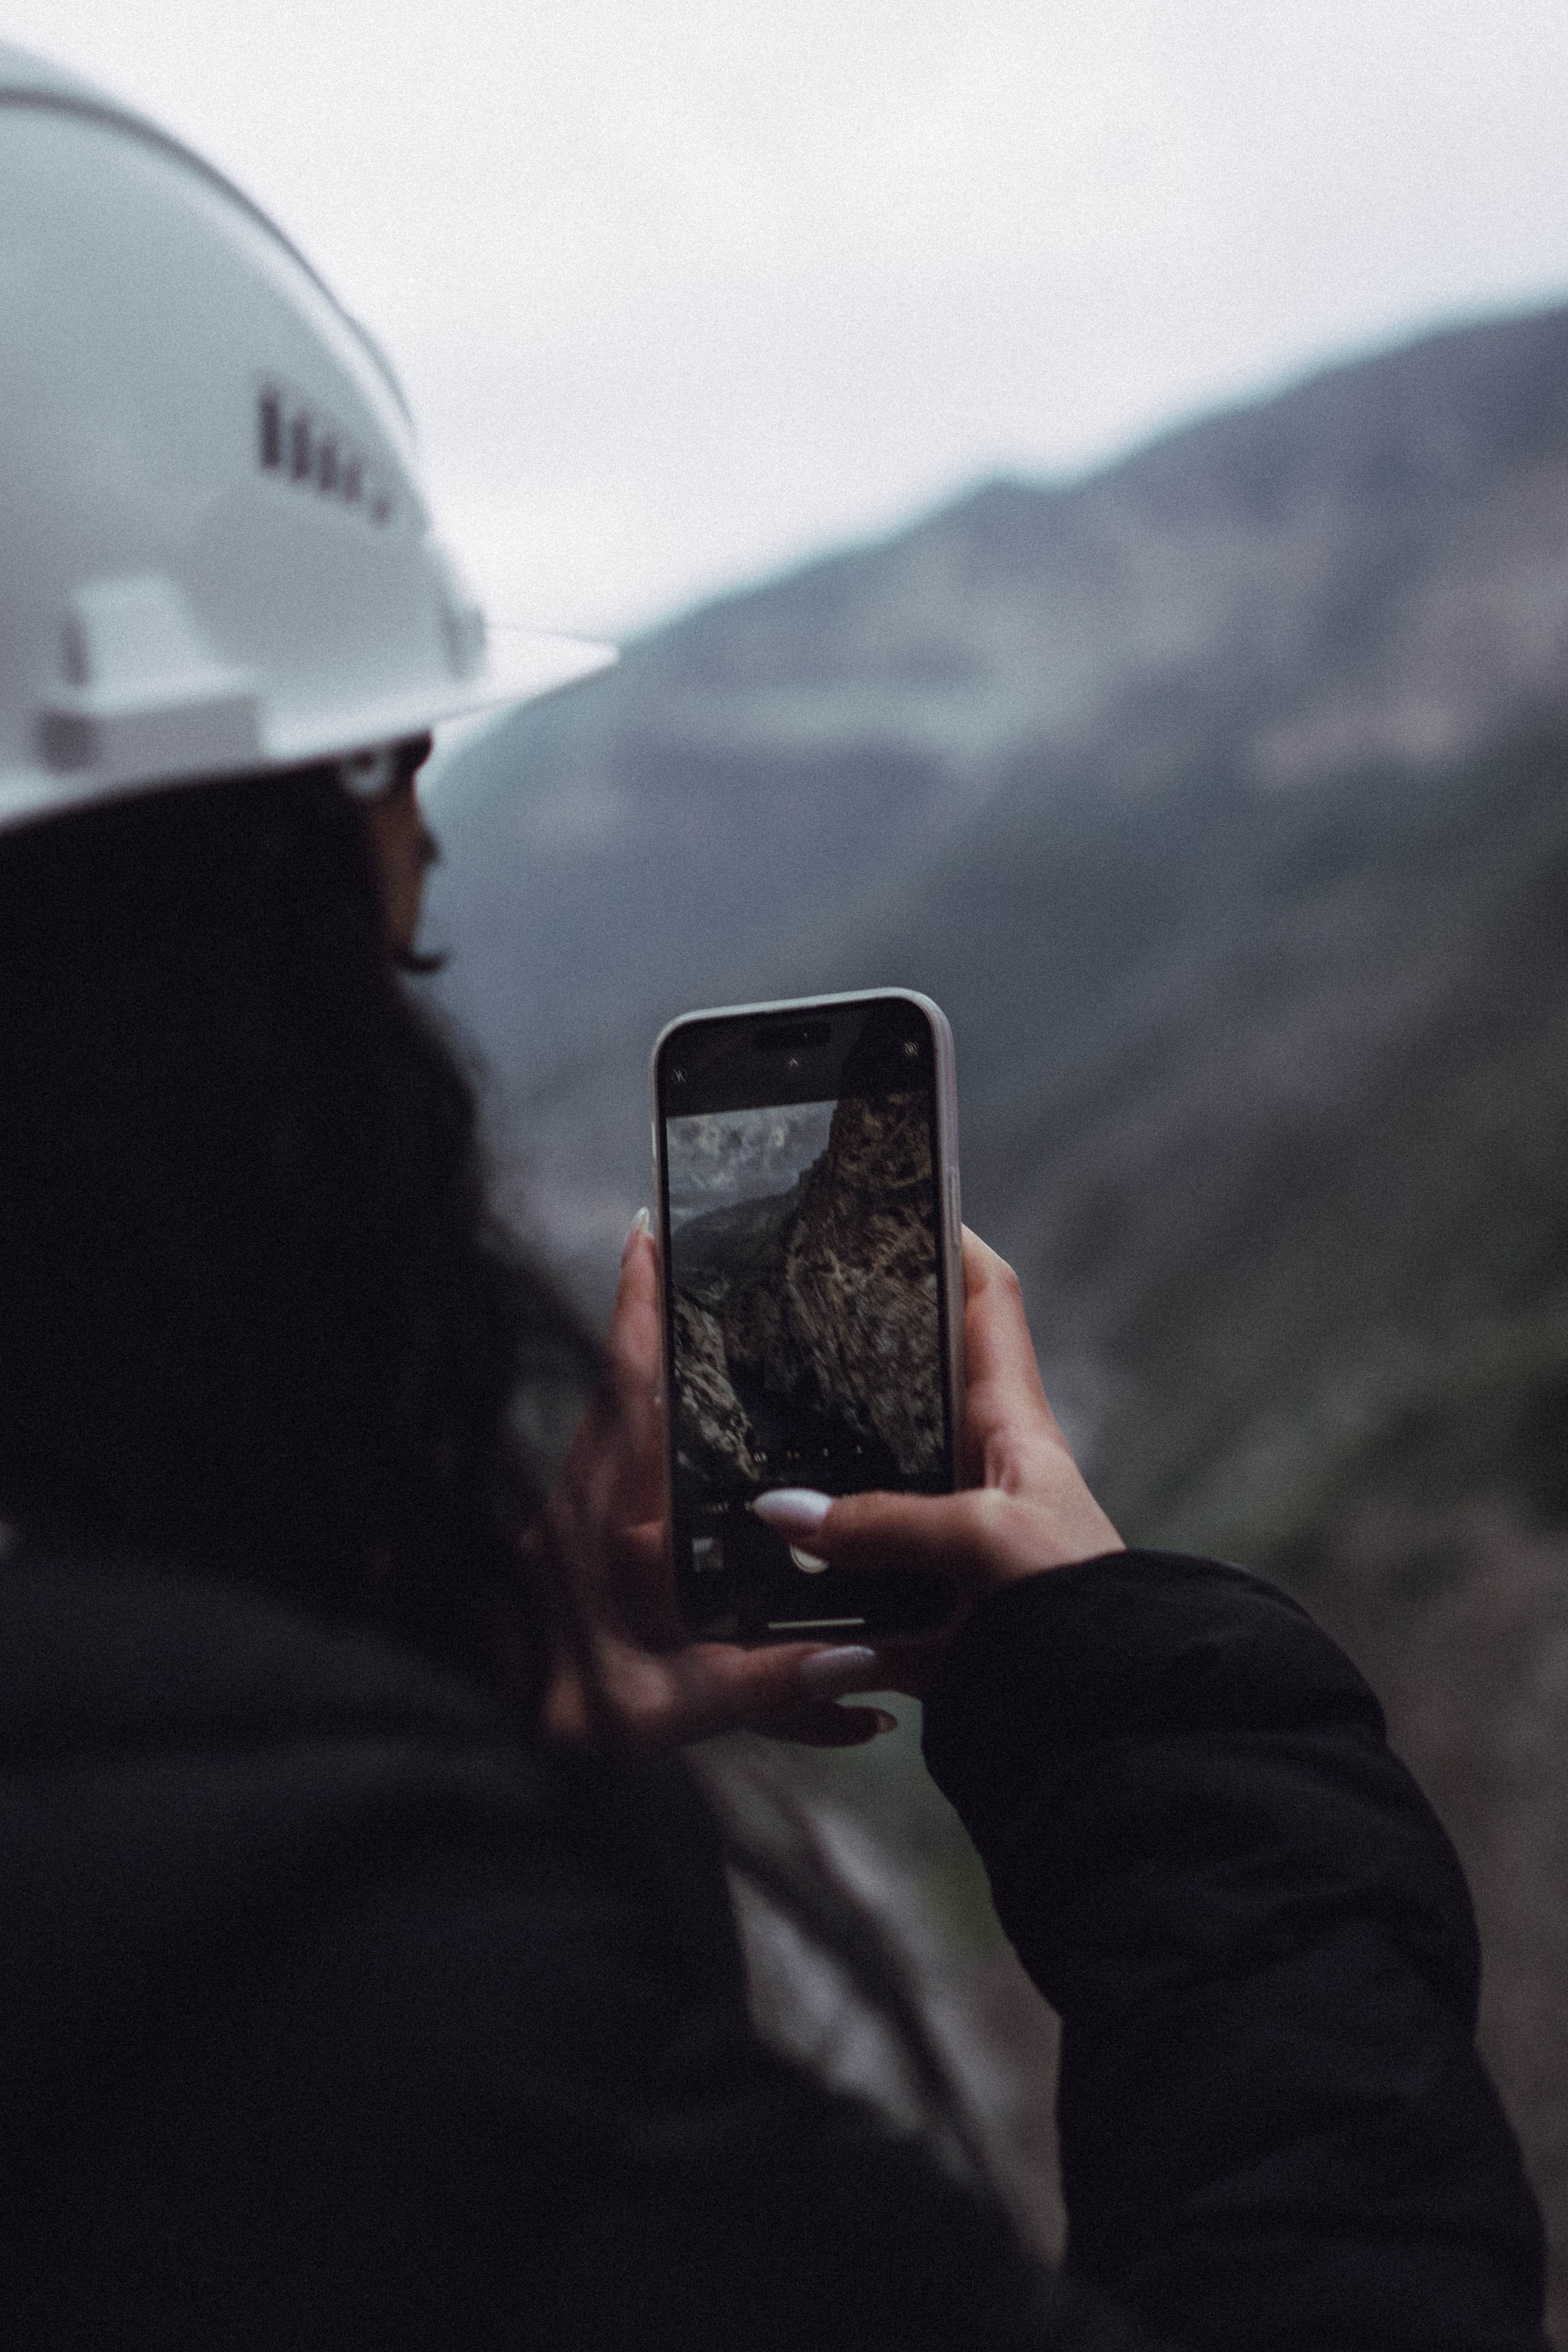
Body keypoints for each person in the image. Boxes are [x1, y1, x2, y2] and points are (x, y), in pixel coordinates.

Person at [0, 40, 1548, 2351]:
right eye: (382, 857)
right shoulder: (366, 2042)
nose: (411, 968)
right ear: (186, 1001)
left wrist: (452, 1715)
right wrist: (1165, 1740)